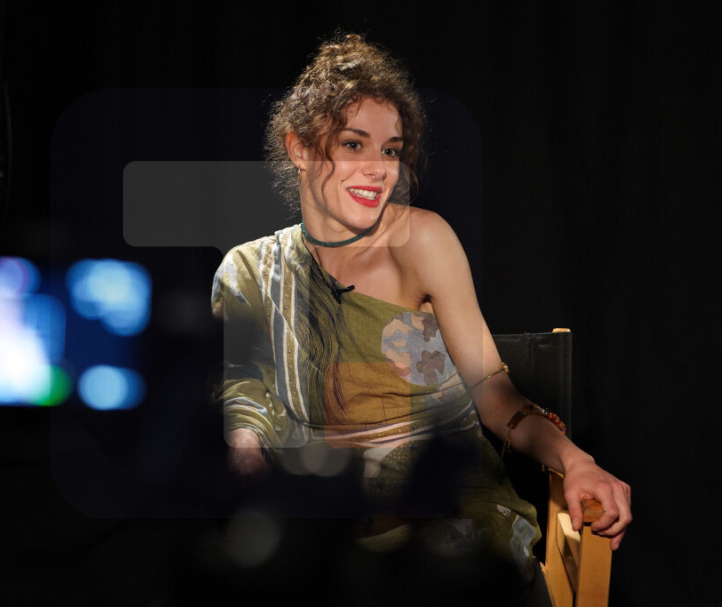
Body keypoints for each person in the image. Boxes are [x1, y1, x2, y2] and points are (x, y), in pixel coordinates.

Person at [210, 32, 630, 594]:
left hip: (447, 508)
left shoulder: (422, 240)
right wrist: (247, 455)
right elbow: (243, 400)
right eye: (353, 144)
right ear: (301, 149)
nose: (378, 170)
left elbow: (493, 392)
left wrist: (575, 461)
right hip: (326, 515)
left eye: (390, 150)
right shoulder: (250, 269)